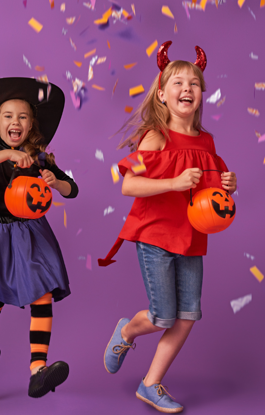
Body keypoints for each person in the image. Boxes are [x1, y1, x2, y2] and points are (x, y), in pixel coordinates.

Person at [99, 42, 237, 413]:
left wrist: (226, 186)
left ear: (201, 94)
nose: (187, 88)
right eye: (177, 82)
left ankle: (151, 384)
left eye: (194, 82)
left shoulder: (206, 142)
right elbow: (129, 185)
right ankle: (127, 331)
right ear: (162, 93)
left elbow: (208, 188)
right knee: (163, 316)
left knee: (188, 315)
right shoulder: (155, 137)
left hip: (192, 238)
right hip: (156, 236)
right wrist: (174, 183)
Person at [0, 77, 79, 398]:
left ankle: (38, 370)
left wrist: (55, 180)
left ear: (31, 123)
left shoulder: (40, 156)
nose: (15, 122)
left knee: (42, 295)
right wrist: (7, 155)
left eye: (22, 116)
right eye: (8, 116)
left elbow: (71, 189)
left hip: (30, 233)